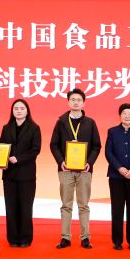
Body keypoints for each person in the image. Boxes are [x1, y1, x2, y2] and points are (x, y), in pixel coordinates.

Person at [49, 88, 102, 249]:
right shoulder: (61, 122)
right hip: (65, 170)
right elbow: (54, 145)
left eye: (79, 100)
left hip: (84, 170)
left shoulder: (90, 123)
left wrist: (89, 163)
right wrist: (61, 161)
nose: (76, 102)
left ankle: (85, 237)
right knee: (66, 204)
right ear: (68, 102)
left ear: (83, 103)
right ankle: (65, 237)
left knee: (83, 204)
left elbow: (97, 146)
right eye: (73, 99)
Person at [0, 98, 41, 248]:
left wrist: (19, 158)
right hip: (9, 175)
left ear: (27, 111)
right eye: (16, 108)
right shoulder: (6, 128)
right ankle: (12, 238)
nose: (19, 111)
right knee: (10, 207)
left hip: (26, 175)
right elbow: (1, 147)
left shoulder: (34, 128)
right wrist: (1, 162)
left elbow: (35, 150)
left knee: (25, 207)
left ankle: (25, 238)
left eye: (22, 108)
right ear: (12, 111)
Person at [105, 103, 130, 250]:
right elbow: (108, 152)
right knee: (117, 209)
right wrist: (119, 168)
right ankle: (117, 241)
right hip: (116, 177)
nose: (127, 116)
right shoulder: (112, 131)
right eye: (124, 113)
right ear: (120, 115)